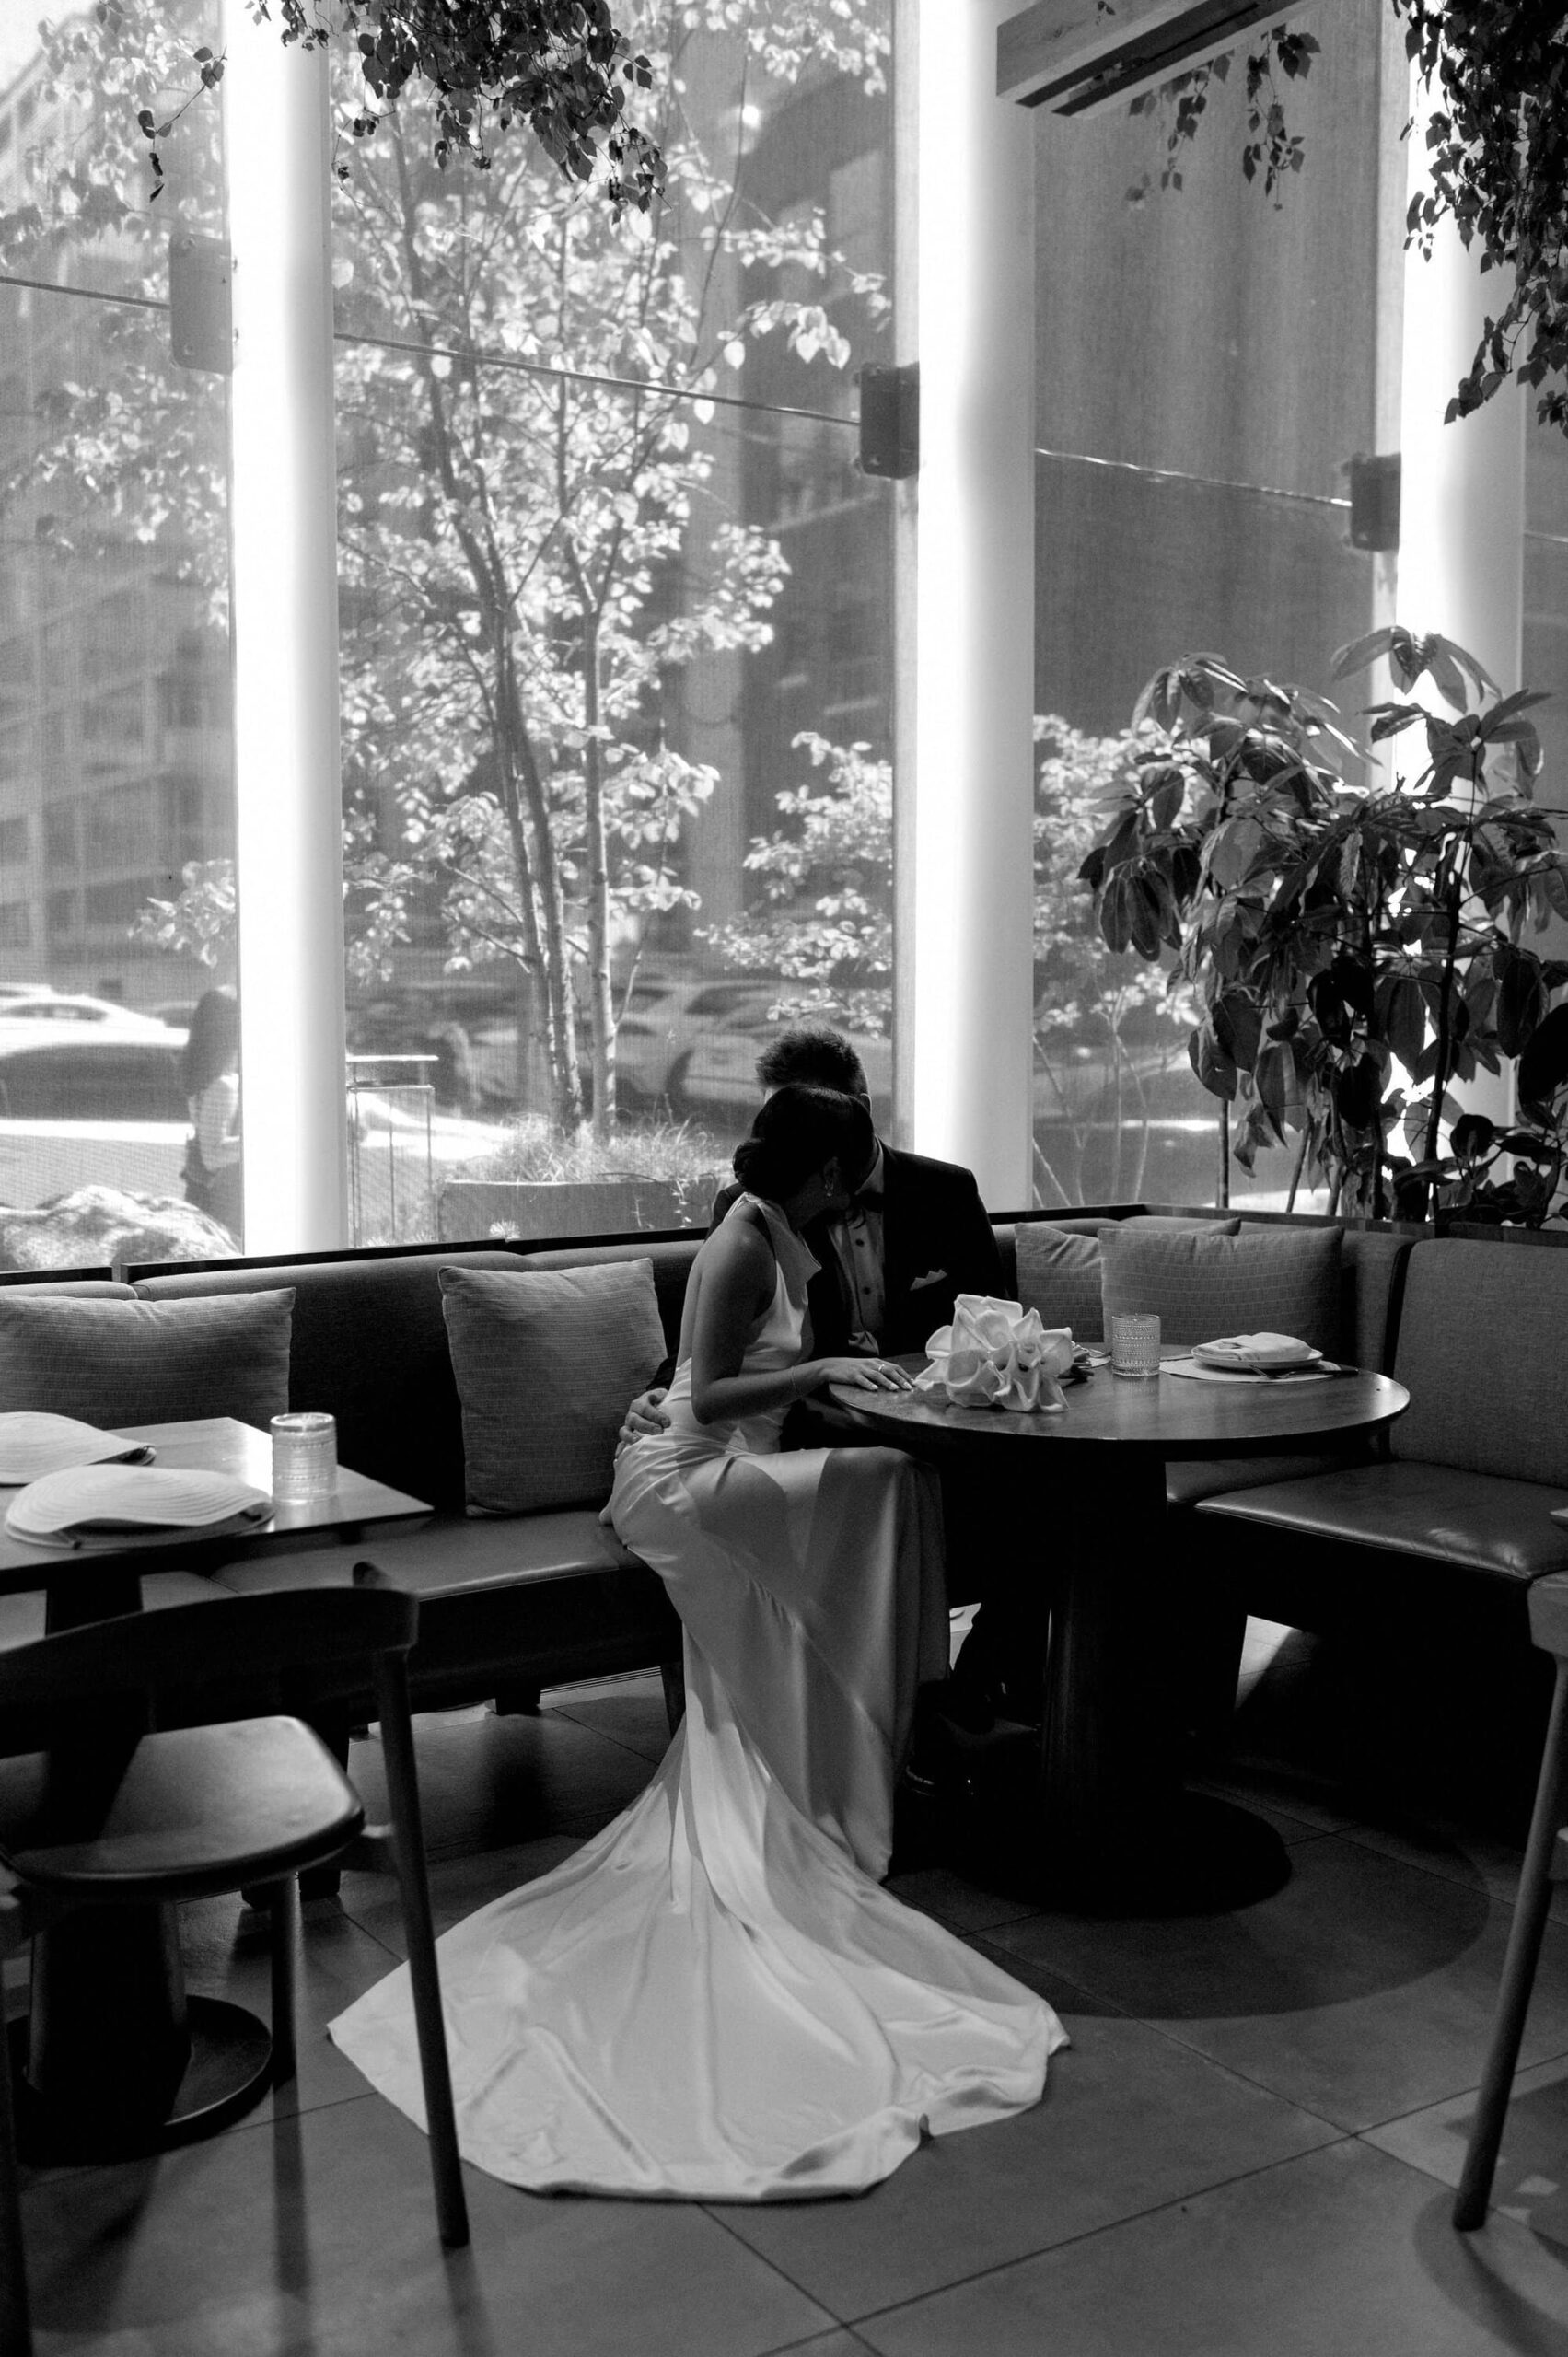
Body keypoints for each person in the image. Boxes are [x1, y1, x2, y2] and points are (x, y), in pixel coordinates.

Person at [330, 1083, 1063, 2198]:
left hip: (728, 1462)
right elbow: (709, 1395)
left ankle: (893, 1723)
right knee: (885, 1483)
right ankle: (864, 1740)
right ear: (825, 1172)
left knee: (895, 1481)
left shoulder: (779, 1229)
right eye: (850, 1173)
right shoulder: (739, 1242)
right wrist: (821, 1371)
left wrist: (846, 1368)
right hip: (682, 1475)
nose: (856, 1192)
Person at [621, 1027, 1034, 1729]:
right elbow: (718, 1334)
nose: (781, 1141)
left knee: (1045, 1493)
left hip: (940, 1415)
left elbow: (997, 1322)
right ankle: (888, 1708)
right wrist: (657, 1393)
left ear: (857, 1111)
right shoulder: (755, 1206)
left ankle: (975, 1688)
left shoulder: (945, 1190)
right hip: (811, 1421)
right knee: (895, 1486)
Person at [179, 986, 241, 1242]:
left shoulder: (209, 1078)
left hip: (210, 1205)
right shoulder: (221, 1086)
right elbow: (213, 1156)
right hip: (222, 1210)